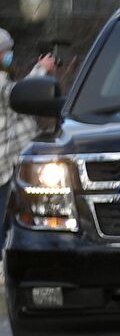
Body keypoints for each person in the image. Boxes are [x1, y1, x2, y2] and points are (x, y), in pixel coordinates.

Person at [0, 28, 57, 245]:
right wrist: (41, 69)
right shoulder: (1, 83)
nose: (9, 56)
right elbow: (20, 96)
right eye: (6, 51)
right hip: (4, 167)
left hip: (11, 161)